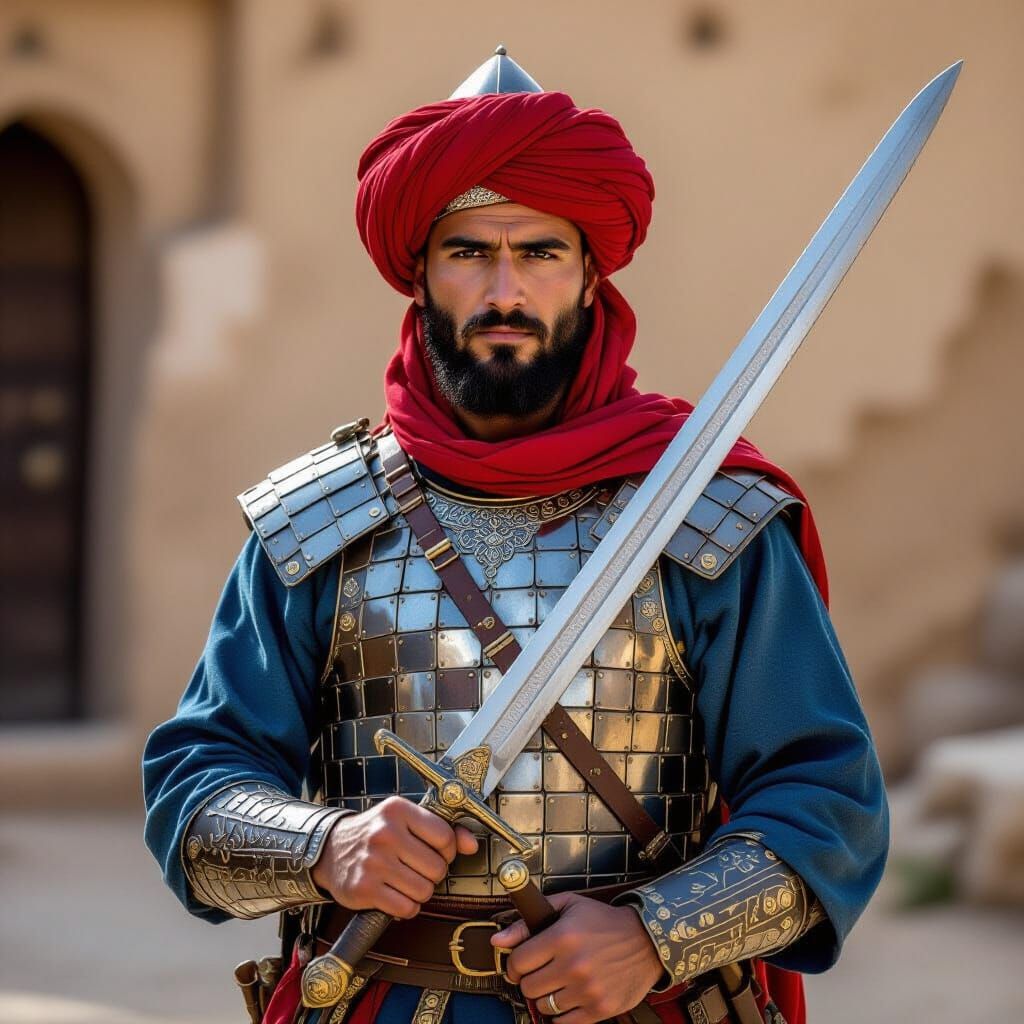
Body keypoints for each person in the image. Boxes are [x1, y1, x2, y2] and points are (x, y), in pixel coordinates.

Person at [144, 47, 887, 1024]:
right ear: (419, 273)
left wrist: (658, 933)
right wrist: (324, 846)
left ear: (590, 274)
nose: (505, 291)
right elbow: (195, 789)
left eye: (539, 252)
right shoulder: (317, 522)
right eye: (468, 252)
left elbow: (827, 803)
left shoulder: (705, 515)